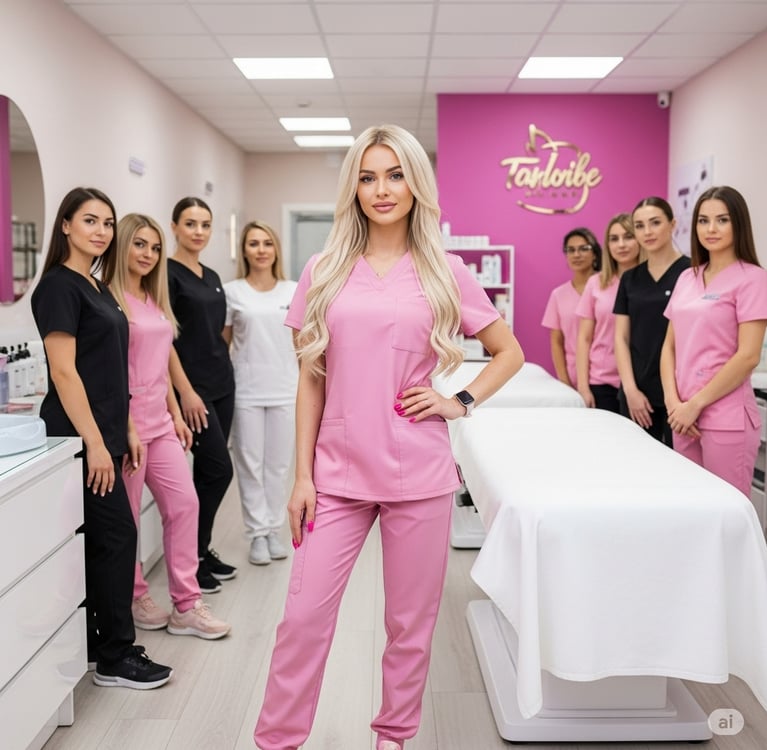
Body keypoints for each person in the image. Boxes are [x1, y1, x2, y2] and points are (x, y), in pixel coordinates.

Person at [253, 124, 524, 750]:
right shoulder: (324, 269)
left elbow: (506, 352)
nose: (381, 189)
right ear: (354, 187)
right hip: (336, 474)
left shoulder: (445, 270)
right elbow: (310, 381)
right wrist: (301, 476)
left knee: (410, 626)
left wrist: (458, 400)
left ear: (415, 184)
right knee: (301, 620)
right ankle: (276, 742)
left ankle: (393, 739)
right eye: (368, 176)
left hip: (417, 473)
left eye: (395, 174)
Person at [31, 187, 172, 689]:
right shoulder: (58, 288)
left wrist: (127, 427)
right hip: (79, 437)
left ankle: (97, 643)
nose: (101, 231)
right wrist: (93, 441)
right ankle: (116, 655)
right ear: (65, 224)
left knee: (104, 542)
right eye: (89, 220)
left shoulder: (95, 284)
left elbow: (114, 367)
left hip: (110, 432)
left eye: (108, 223)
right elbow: (65, 374)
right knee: (117, 538)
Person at [105, 213, 231, 639]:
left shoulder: (152, 296)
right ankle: (135, 594)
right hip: (128, 431)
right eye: (139, 244)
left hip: (160, 423)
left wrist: (176, 410)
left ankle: (186, 604)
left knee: (184, 505)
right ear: (121, 245)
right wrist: (126, 427)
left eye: (155, 247)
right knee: (129, 522)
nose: (148, 254)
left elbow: (168, 353)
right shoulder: (109, 299)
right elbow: (110, 371)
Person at [661, 186, 767, 496]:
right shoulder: (687, 277)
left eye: (722, 220)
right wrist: (674, 404)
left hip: (725, 417)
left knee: (727, 511)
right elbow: (669, 346)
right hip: (682, 416)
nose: (711, 229)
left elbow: (748, 356)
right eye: (703, 220)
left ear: (739, 224)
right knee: (691, 507)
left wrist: (696, 404)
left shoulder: (753, 279)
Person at [167, 197, 237, 594]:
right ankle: (191, 558)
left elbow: (218, 329)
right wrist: (185, 393)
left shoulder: (210, 273)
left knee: (207, 474)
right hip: (192, 390)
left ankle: (200, 549)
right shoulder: (166, 274)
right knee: (217, 470)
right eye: (190, 223)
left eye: (205, 224)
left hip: (221, 383)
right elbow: (165, 340)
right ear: (174, 226)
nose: (198, 231)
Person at [223, 221, 298, 566]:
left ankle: (273, 530)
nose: (261, 249)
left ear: (276, 249)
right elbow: (222, 346)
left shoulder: (294, 290)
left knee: (279, 466)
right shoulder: (232, 291)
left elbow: (302, 344)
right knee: (250, 465)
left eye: (267, 242)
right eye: (253, 243)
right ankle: (256, 534)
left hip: (286, 388)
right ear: (244, 250)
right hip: (247, 390)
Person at [614, 196, 691, 445]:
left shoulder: (692, 273)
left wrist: (677, 399)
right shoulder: (630, 279)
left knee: (679, 470)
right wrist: (630, 390)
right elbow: (621, 338)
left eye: (655, 223)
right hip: (637, 391)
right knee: (638, 469)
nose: (647, 232)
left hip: (681, 393)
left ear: (672, 224)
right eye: (639, 225)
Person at [575, 214, 642, 411]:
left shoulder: (650, 285)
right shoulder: (596, 283)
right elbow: (584, 338)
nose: (621, 244)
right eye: (614, 239)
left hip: (642, 381)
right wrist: (583, 386)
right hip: (602, 382)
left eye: (628, 236)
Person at [541, 227, 601, 388]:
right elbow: (556, 342)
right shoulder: (558, 295)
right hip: (574, 378)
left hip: (607, 376)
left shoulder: (608, 288)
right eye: (571, 250)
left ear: (595, 253)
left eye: (583, 248)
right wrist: (565, 382)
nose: (576, 254)